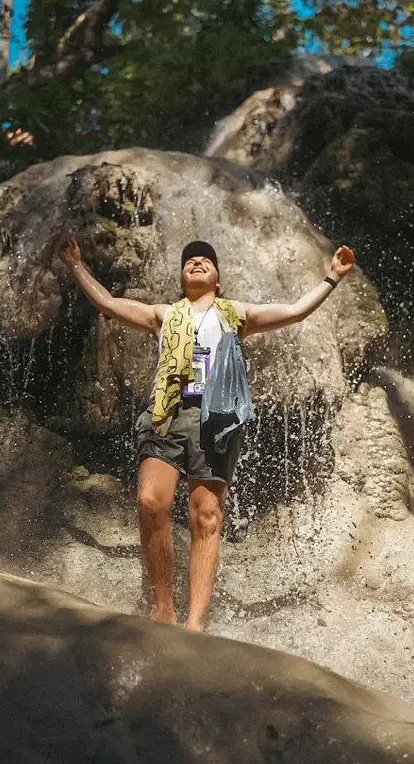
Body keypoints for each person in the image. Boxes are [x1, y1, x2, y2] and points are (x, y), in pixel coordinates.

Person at [60, 235, 354, 631]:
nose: (196, 263)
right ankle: (164, 607)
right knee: (151, 500)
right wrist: (76, 265)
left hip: (215, 417)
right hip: (167, 411)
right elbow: (109, 304)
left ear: (217, 279)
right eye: (189, 262)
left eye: (205, 261)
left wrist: (332, 277)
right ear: (182, 278)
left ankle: (195, 622)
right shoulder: (164, 314)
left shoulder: (236, 314)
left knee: (207, 516)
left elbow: (294, 311)